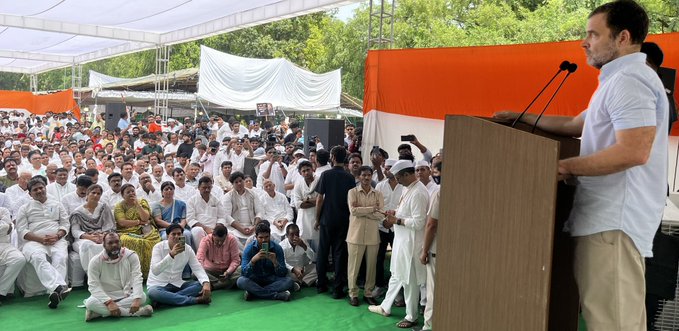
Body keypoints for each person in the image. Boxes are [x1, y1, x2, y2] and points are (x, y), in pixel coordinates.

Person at [494, 1, 668, 329]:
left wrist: (563, 167)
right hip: (605, 222)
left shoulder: (631, 80)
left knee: (613, 323)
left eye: (593, 34)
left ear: (622, 37)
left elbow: (634, 151)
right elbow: (577, 124)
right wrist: (522, 117)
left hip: (613, 222)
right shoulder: (617, 80)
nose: (584, 42)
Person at [368, 160, 428, 329]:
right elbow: (407, 213)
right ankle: (385, 307)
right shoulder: (409, 188)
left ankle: (411, 316)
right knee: (396, 275)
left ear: (407, 175)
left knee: (409, 281)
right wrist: (395, 213)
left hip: (411, 244)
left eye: (398, 177)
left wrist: (397, 220)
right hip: (402, 241)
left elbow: (419, 222)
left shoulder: (418, 193)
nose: (397, 180)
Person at [16, 178, 72, 309]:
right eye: (35, 190)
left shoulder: (57, 204)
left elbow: (65, 223)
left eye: (41, 188)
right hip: (33, 241)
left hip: (56, 240)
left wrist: (57, 235)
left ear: (45, 188)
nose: (39, 191)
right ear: (30, 194)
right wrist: (40, 239)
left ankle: (55, 292)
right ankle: (59, 288)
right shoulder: (24, 208)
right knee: (38, 257)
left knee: (60, 258)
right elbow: (22, 230)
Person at [314, 146, 356, 299]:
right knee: (339, 254)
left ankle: (321, 285)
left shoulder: (326, 175)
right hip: (344, 219)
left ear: (332, 157)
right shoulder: (350, 177)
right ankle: (338, 288)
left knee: (323, 252)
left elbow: (319, 199)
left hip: (327, 218)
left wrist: (317, 219)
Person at [85, 232, 153, 321]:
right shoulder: (95, 261)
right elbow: (93, 286)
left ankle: (98, 313)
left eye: (117, 242)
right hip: (106, 294)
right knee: (90, 303)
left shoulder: (131, 256)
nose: (114, 245)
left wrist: (136, 299)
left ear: (120, 242)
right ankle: (138, 312)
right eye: (110, 243)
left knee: (142, 297)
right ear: (104, 245)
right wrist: (109, 302)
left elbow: (137, 277)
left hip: (126, 293)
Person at [147, 223, 212, 306]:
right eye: (173, 234)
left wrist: (206, 283)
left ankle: (165, 300)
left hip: (176, 284)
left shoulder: (187, 248)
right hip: (158, 284)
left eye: (179, 234)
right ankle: (194, 300)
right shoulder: (158, 247)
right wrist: (171, 255)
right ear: (167, 236)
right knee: (153, 293)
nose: (177, 236)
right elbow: (155, 271)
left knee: (200, 285)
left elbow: (197, 267)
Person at [347, 166, 383, 306]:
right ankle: (353, 293)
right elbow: (353, 211)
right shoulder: (352, 192)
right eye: (364, 175)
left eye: (369, 175)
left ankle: (368, 293)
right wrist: (372, 209)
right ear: (359, 177)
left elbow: (381, 214)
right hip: (355, 235)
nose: (366, 178)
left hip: (373, 236)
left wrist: (363, 210)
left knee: (371, 267)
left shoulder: (378, 194)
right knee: (353, 267)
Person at [114, 183, 162, 278]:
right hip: (126, 231)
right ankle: (136, 274)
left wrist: (138, 205)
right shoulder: (119, 206)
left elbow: (146, 218)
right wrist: (138, 222)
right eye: (128, 192)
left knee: (153, 240)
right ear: (123, 195)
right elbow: (122, 222)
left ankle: (150, 273)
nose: (131, 193)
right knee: (131, 241)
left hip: (145, 229)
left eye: (133, 191)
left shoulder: (142, 202)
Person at [237, 222, 294, 301]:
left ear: (270, 236)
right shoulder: (249, 249)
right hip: (255, 279)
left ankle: (254, 293)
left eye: (266, 237)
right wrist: (253, 261)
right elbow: (244, 273)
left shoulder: (277, 248)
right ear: (256, 237)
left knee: (289, 281)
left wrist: (275, 262)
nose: (264, 240)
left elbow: (283, 273)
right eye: (261, 237)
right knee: (241, 281)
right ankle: (276, 295)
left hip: (271, 279)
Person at [70, 184, 116, 273]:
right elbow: (75, 231)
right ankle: (92, 274)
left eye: (98, 194)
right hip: (83, 238)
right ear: (87, 194)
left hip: (102, 236)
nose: (95, 195)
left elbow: (109, 225)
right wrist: (90, 237)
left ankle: (108, 275)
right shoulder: (77, 212)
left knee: (110, 244)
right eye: (93, 193)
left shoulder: (104, 208)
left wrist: (103, 235)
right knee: (88, 246)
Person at [374, 159, 403, 296]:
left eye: (390, 168)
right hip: (381, 227)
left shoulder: (404, 187)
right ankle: (379, 286)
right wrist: (384, 221)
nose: (387, 170)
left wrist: (392, 221)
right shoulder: (380, 186)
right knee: (378, 258)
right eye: (386, 168)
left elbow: (403, 208)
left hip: (397, 228)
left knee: (397, 259)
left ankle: (396, 292)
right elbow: (377, 206)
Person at [222, 172, 263, 247]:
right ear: (232, 184)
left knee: (263, 235)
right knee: (231, 238)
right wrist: (241, 228)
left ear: (243, 181)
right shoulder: (228, 196)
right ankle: (245, 255)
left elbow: (259, 211)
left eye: (240, 181)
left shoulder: (253, 194)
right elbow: (227, 216)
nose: (239, 183)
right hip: (235, 228)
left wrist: (254, 226)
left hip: (252, 226)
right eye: (236, 182)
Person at [196, 223, 241, 290]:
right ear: (213, 235)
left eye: (222, 241)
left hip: (228, 271)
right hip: (210, 271)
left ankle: (214, 285)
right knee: (195, 273)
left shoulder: (232, 240)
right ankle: (224, 284)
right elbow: (199, 259)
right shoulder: (205, 240)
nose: (220, 243)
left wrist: (228, 272)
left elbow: (236, 260)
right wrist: (202, 273)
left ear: (226, 236)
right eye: (217, 240)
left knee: (241, 269)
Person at [420, 187, 440, 331]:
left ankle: (429, 327)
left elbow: (432, 224)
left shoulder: (440, 192)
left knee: (433, 292)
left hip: (437, 251)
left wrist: (424, 250)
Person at [187, 176, 225, 249]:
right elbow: (190, 219)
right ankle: (201, 256)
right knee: (197, 231)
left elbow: (221, 217)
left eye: (209, 187)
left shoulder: (216, 200)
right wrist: (206, 228)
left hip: (215, 228)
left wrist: (217, 228)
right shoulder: (192, 200)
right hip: (200, 228)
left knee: (230, 234)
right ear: (198, 188)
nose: (207, 190)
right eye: (204, 188)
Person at [291, 160, 319, 252]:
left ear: (312, 169)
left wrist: (306, 200)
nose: (306, 172)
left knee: (318, 248)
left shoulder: (319, 181)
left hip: (317, 218)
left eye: (308, 170)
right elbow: (298, 204)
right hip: (304, 219)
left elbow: (323, 200)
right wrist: (316, 201)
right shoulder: (298, 184)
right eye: (303, 171)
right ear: (300, 173)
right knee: (304, 247)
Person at [0, 206, 25, 305]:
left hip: (4, 244)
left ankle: (1, 291)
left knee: (19, 259)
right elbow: (6, 227)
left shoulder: (3, 210)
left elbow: (6, 228)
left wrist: (6, 226)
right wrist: (6, 226)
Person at [280, 223, 317, 289]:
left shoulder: (303, 241)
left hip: (303, 270)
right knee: (283, 276)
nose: (295, 237)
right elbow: (282, 262)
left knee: (318, 268)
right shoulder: (282, 246)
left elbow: (313, 258)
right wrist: (293, 269)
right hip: (290, 272)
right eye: (292, 235)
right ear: (287, 235)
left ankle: (302, 282)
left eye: (297, 234)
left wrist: (304, 246)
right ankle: (308, 281)